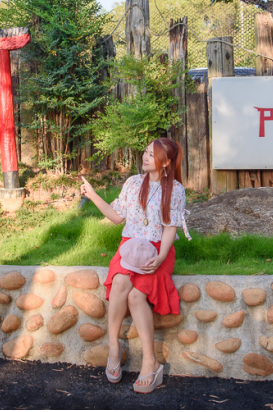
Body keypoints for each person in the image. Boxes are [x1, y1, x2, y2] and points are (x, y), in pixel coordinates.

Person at [80, 138, 186, 393]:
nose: (145, 156)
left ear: (166, 162)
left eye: (152, 154)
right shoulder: (133, 183)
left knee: (138, 296)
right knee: (119, 282)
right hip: (129, 247)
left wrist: (160, 258)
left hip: (157, 250)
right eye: (146, 152)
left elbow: (170, 227)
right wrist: (93, 195)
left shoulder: (176, 189)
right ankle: (113, 347)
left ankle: (150, 362)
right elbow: (117, 216)